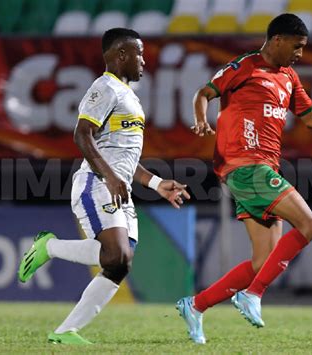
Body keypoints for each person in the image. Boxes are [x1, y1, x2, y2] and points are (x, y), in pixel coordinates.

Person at [176, 13, 312, 344]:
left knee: (262, 260)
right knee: (310, 226)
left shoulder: (289, 77)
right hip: (245, 166)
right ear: (277, 40)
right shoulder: (244, 67)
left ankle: (196, 305)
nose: (300, 54)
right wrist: (201, 120)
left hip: (262, 170)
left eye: (303, 48)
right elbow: (203, 93)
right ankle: (252, 295)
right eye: (297, 46)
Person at [18, 28, 190, 345]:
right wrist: (109, 176)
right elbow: (82, 134)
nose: (144, 59)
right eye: (138, 53)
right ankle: (49, 249)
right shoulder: (104, 88)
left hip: (116, 185)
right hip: (95, 183)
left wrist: (155, 183)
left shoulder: (130, 97)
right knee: (117, 255)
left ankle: (64, 331)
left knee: (119, 262)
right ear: (120, 54)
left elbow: (124, 156)